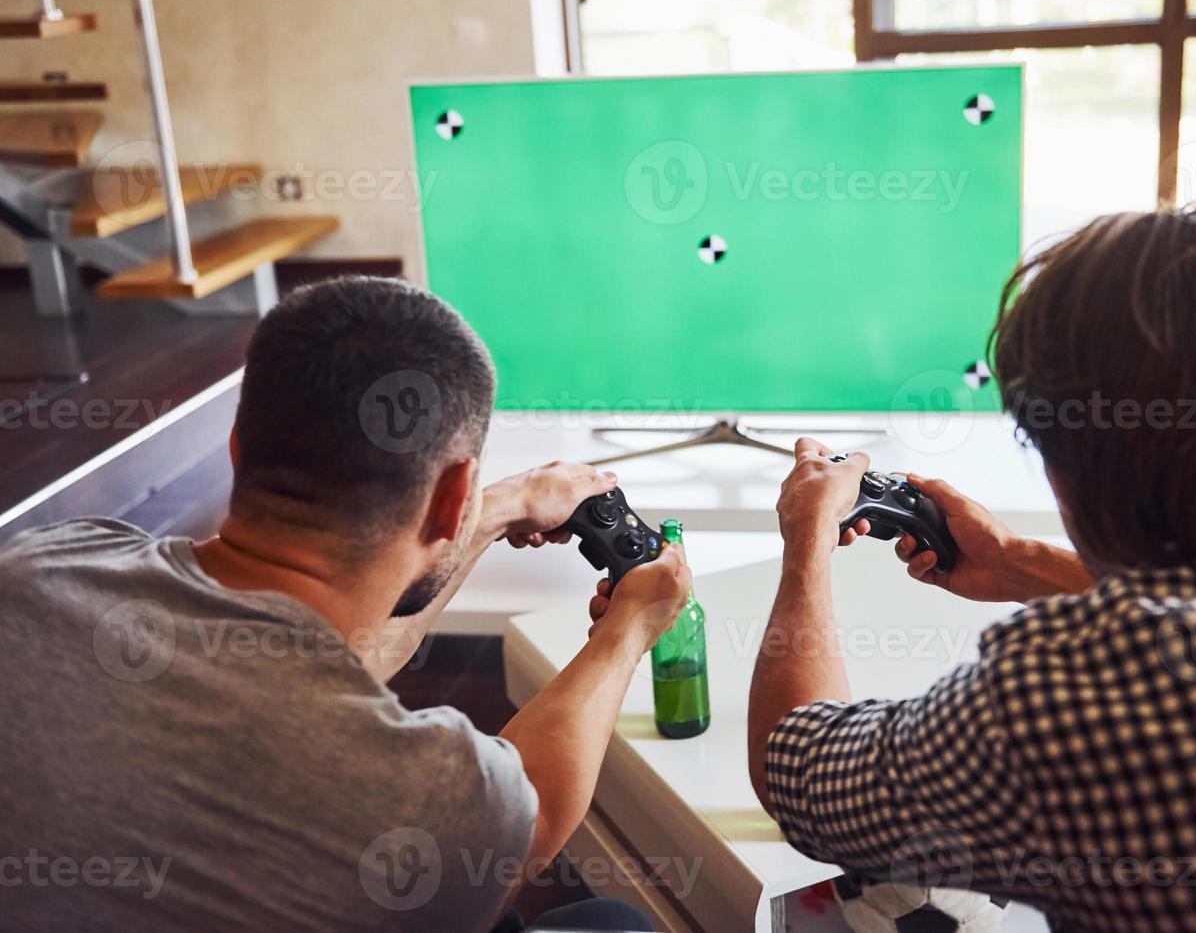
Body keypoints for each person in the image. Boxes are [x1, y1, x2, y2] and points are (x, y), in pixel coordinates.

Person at [748, 207, 1196, 931]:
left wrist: (806, 541)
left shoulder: (1065, 695)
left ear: (1071, 472)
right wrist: (1024, 566)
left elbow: (798, 774)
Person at [0, 277, 690, 930]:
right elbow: (527, 823)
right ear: (451, 496)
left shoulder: (40, 567)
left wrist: (496, 508)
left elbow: (316, 654)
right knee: (611, 923)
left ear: (238, 448)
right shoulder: (413, 791)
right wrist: (624, 632)